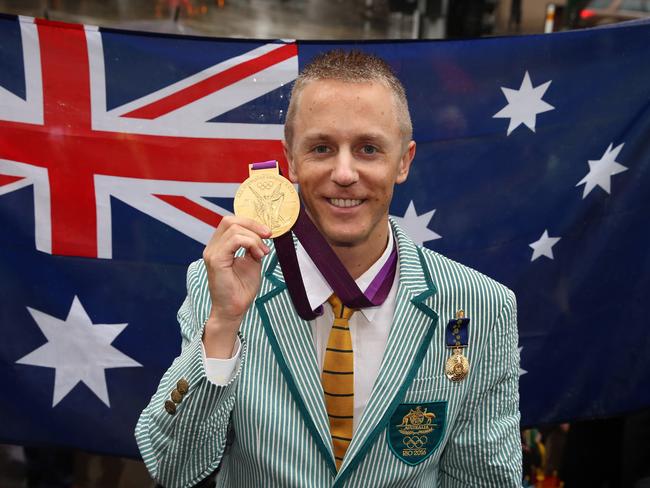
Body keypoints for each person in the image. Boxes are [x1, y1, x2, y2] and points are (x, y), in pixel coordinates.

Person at [135, 50, 522, 487]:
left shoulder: (479, 307)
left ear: (403, 161)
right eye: (322, 148)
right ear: (291, 161)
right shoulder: (221, 291)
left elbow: (484, 479)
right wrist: (224, 326)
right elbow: (173, 467)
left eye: (368, 149)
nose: (344, 172)